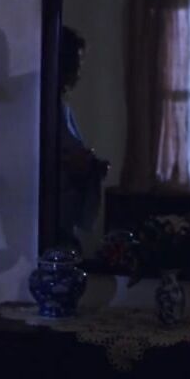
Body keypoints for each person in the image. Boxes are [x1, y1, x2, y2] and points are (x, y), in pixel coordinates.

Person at [58, 26, 109, 251]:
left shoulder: (62, 106)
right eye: (76, 65)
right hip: (55, 215)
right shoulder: (46, 107)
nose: (79, 73)